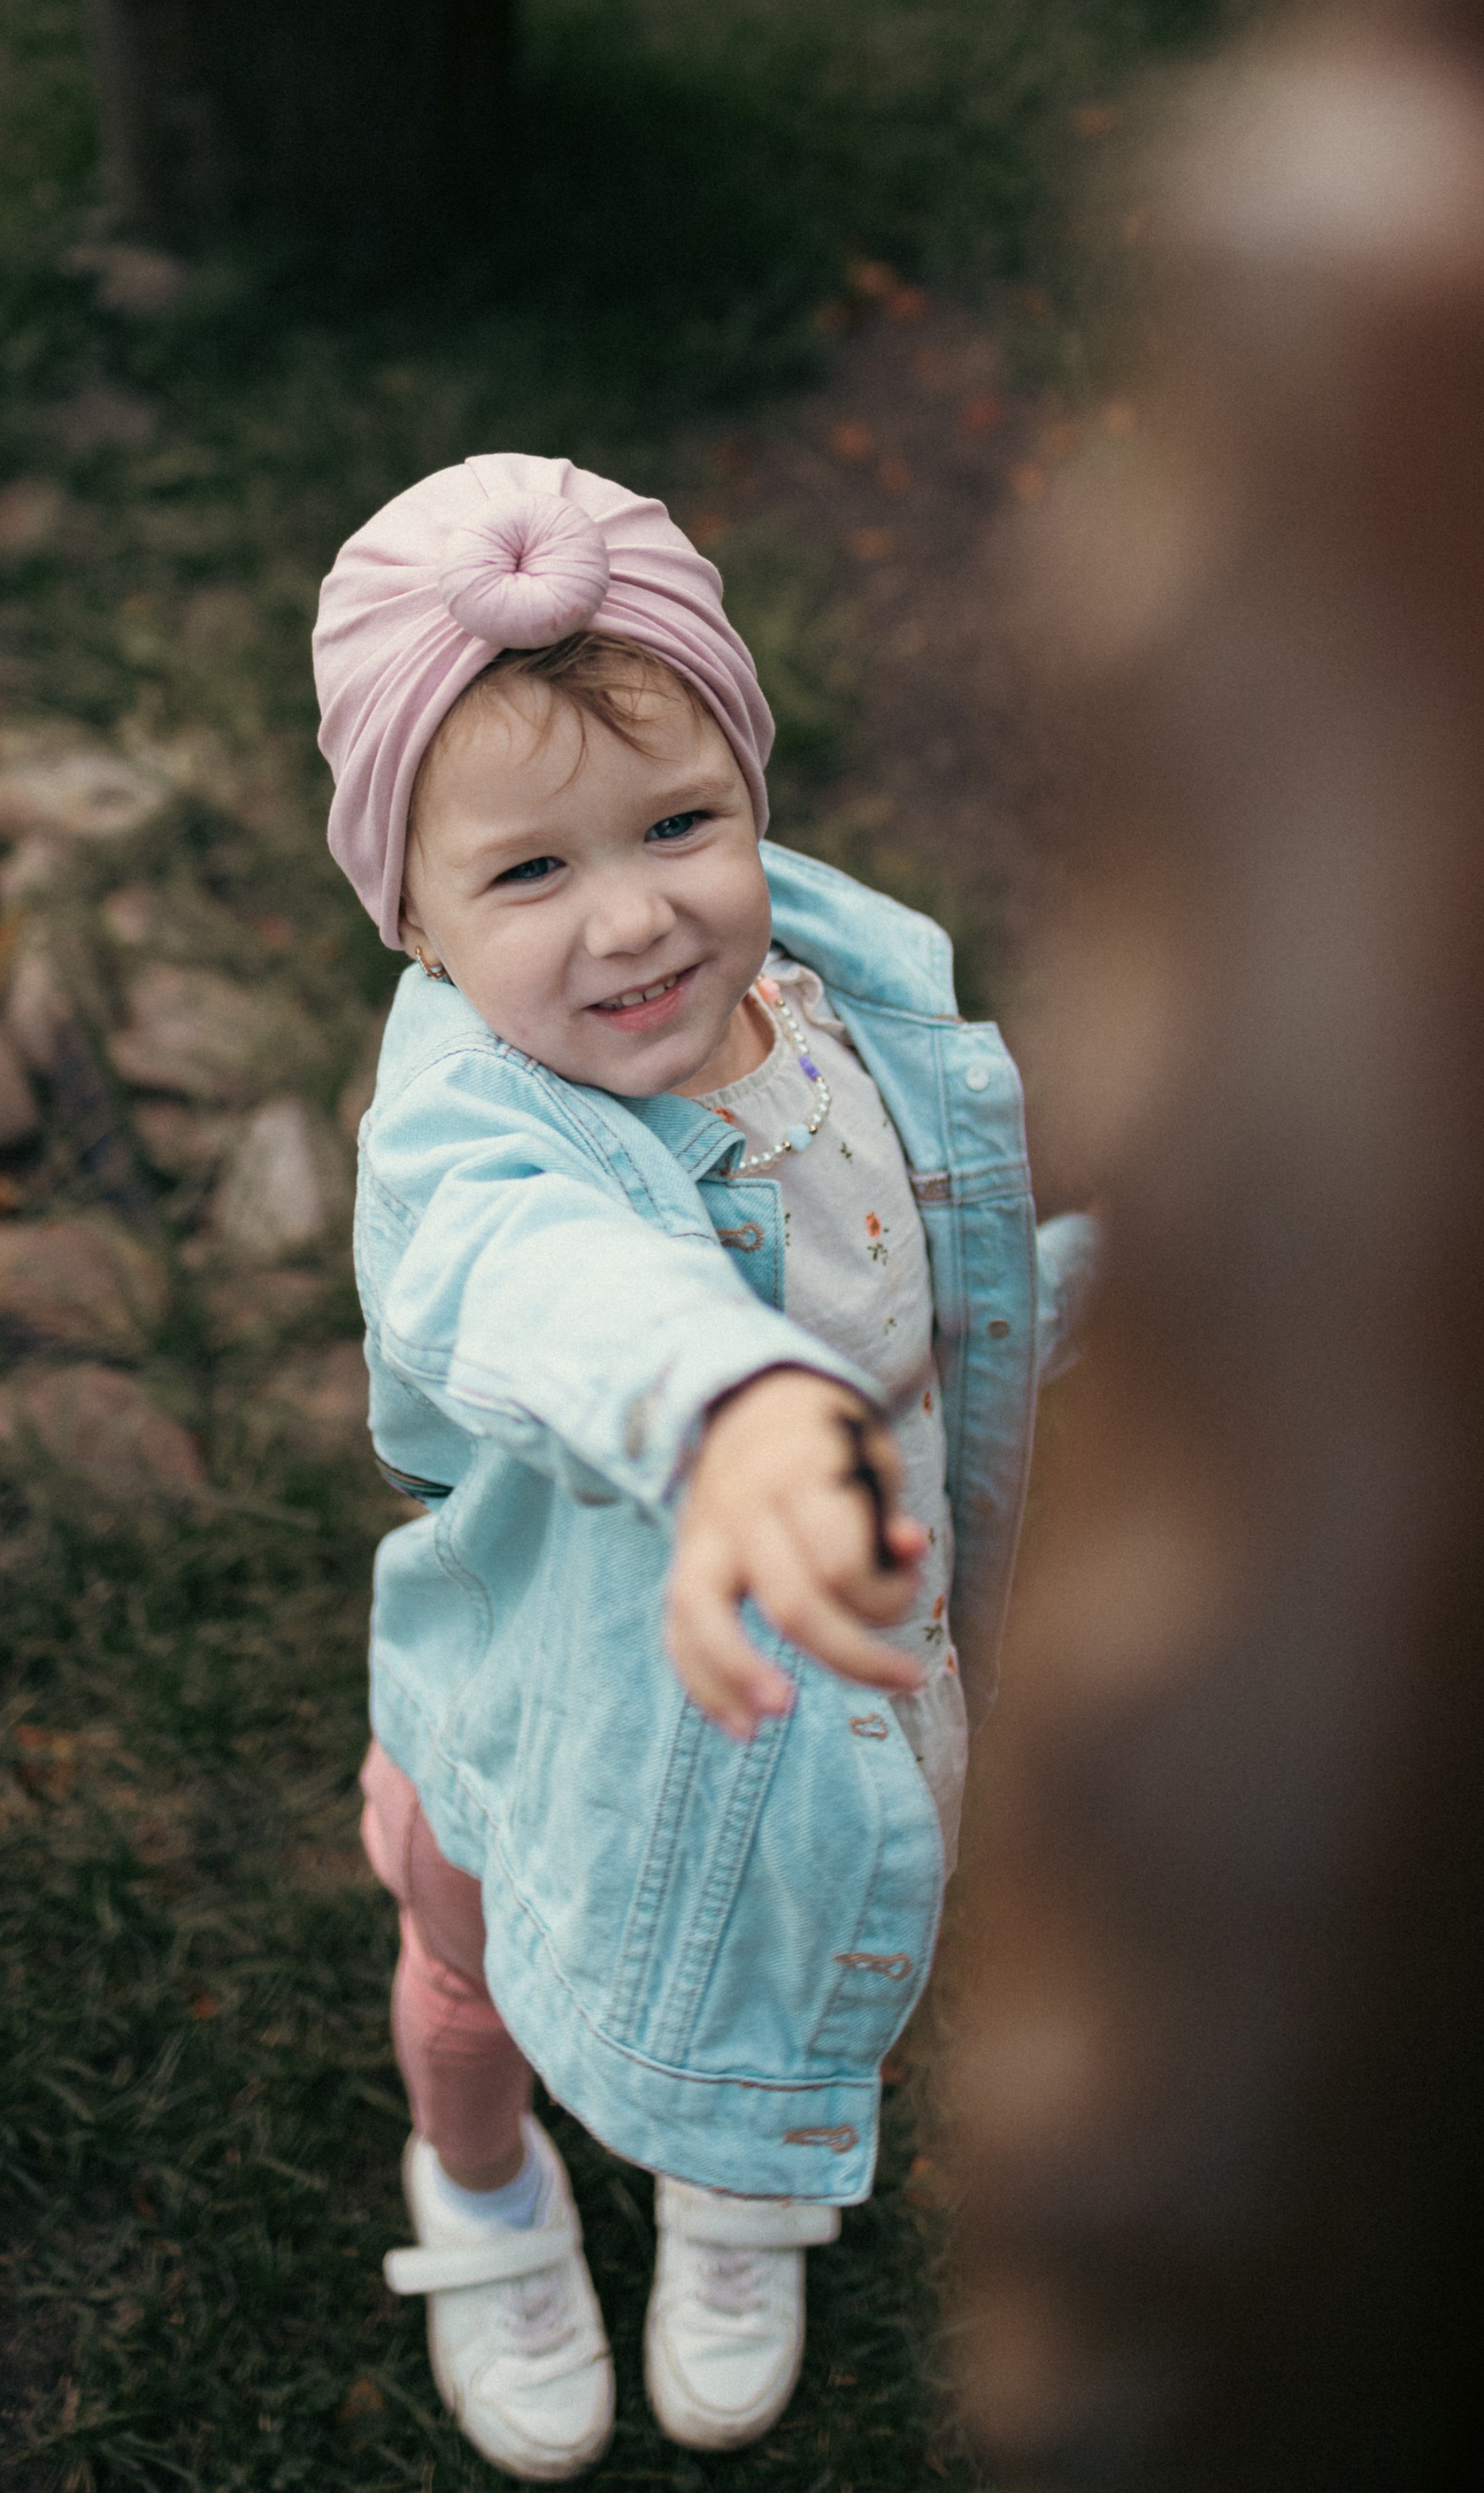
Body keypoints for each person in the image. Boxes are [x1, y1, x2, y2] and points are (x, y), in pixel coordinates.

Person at [312, 451, 1090, 2479]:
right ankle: (479, 2190)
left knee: (789, 1953)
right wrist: (734, 1407)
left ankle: (737, 2197)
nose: (637, 916)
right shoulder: (468, 1150)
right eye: (529, 875)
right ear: (404, 913)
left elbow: (945, 1289)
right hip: (548, 1714)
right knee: (468, 1977)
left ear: (753, 791)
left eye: (678, 824)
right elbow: (549, 1286)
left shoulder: (842, 997)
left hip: (824, 1683)